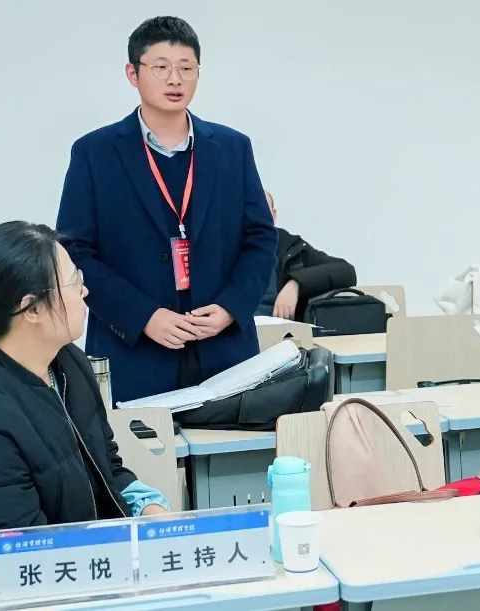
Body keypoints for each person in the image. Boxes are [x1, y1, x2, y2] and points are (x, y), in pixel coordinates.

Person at [0, 222, 168, 567]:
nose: (85, 291)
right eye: (74, 282)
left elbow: (107, 467)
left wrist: (149, 509)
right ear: (30, 309)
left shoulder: (68, 363)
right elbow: (21, 564)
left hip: (82, 565)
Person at [57, 16, 276, 405]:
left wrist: (231, 307)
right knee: (141, 445)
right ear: (133, 73)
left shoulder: (233, 148)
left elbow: (260, 238)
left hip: (223, 350)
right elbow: (75, 253)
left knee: (231, 444)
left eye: (186, 68)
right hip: (135, 353)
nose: (175, 79)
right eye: (160, 67)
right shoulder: (94, 152)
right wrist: (142, 316)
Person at [256, 190, 357, 320]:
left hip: (281, 329)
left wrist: (295, 284)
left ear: (274, 216)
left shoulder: (291, 248)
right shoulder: (229, 251)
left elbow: (346, 271)